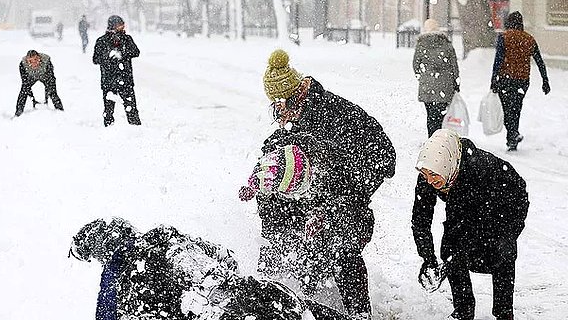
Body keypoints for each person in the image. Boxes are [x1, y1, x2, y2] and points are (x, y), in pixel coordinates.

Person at [253, 49, 396, 319]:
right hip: (326, 187)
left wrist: (345, 196)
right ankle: (298, 294)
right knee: (286, 221)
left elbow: (378, 158)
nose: (279, 114)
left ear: (295, 97)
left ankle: (358, 313)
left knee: (342, 243)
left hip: (357, 182)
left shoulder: (331, 114)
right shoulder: (300, 116)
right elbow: (282, 153)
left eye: (280, 106)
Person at [69, 217, 355, 320]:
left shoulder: (120, 286)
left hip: (221, 313)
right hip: (255, 293)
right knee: (299, 308)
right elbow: (225, 255)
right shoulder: (165, 234)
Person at [411, 129, 529, 320]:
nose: (430, 181)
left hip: (501, 205)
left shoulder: (479, 169)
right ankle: (463, 310)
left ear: (447, 165)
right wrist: (428, 257)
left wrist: (509, 234)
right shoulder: (431, 171)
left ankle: (504, 312)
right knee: (450, 249)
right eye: (425, 175)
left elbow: (518, 197)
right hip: (468, 207)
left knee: (501, 252)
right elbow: (420, 219)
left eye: (433, 176)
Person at [490, 11, 551, 151]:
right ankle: (513, 136)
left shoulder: (504, 37)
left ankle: (512, 135)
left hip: (505, 80)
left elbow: (498, 60)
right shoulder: (529, 39)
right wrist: (545, 80)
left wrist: (493, 79)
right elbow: (539, 61)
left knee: (507, 110)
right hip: (522, 81)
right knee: (516, 108)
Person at [413, 19, 460, 137]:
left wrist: (423, 77)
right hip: (444, 85)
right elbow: (454, 66)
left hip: (427, 86)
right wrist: (456, 82)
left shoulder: (421, 44)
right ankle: (439, 137)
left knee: (430, 115)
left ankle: (431, 138)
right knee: (440, 116)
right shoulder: (447, 44)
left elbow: (415, 65)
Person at [93, 15, 141, 127]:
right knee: (108, 109)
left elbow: (136, 52)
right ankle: (109, 130)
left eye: (123, 24)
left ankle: (136, 129)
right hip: (108, 81)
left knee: (131, 107)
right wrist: (108, 57)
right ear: (113, 26)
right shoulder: (102, 41)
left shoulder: (127, 39)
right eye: (120, 25)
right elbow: (95, 59)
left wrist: (122, 55)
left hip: (126, 79)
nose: (122, 27)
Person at [15, 50, 64, 117]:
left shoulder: (46, 61)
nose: (34, 63)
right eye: (30, 61)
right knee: (23, 91)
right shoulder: (22, 65)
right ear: (27, 60)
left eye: (35, 59)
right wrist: (33, 99)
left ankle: (60, 111)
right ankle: (18, 113)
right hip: (31, 77)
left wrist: (47, 95)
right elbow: (25, 82)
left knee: (52, 92)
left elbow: (51, 78)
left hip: (45, 75)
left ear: (39, 57)